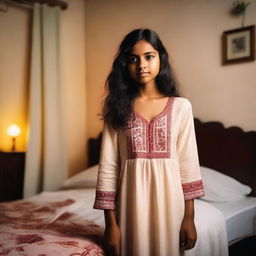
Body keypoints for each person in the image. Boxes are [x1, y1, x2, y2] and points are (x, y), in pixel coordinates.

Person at [93, 28, 205, 256]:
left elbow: (188, 165)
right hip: (130, 210)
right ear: (125, 64)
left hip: (172, 210)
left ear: (160, 58)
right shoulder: (116, 108)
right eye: (133, 59)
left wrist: (189, 218)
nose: (141, 65)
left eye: (149, 56)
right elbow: (108, 166)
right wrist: (110, 224)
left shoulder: (181, 107)